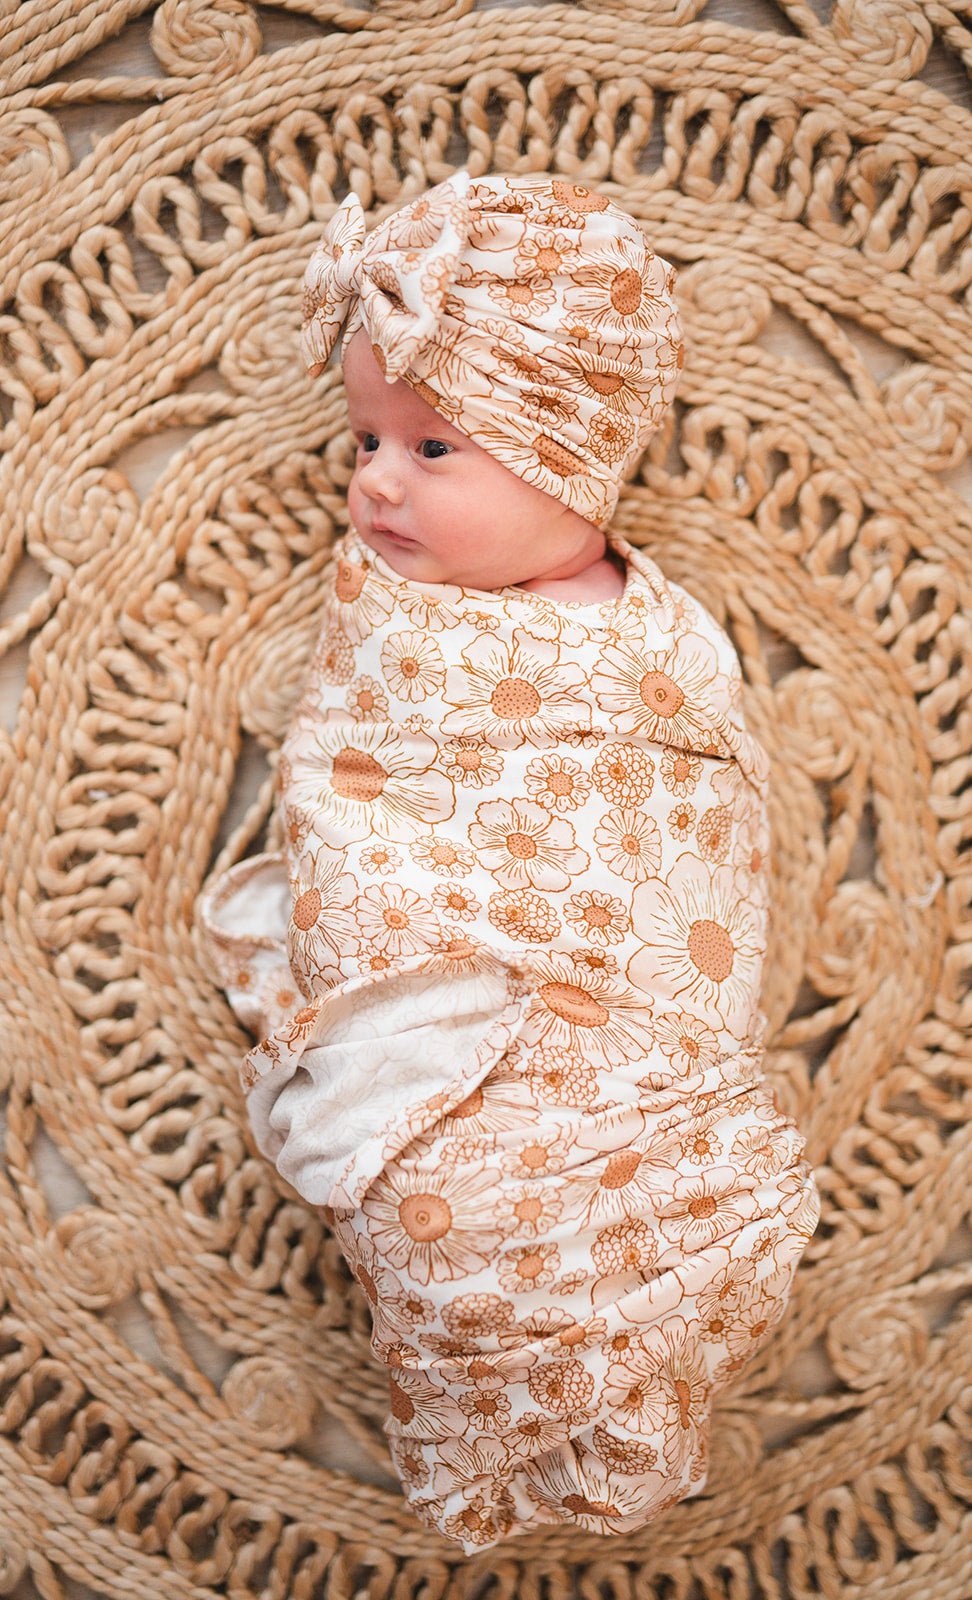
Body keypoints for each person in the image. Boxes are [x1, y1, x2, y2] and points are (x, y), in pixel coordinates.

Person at [197, 169, 819, 1552]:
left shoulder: (663, 641)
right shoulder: (399, 621)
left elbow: (702, 834)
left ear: (572, 451)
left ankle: (627, 1316)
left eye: (430, 451)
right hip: (442, 1000)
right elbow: (356, 792)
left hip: (628, 1033)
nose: (371, 484)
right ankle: (501, 1329)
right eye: (365, 440)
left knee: (681, 1196)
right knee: (445, 1221)